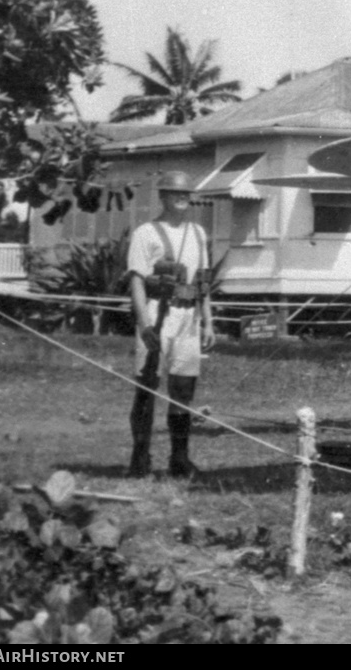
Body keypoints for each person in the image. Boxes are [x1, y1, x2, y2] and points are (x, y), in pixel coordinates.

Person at [127, 170, 215, 478]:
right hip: (157, 314)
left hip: (188, 317)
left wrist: (208, 321)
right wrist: (143, 324)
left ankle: (180, 458)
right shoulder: (146, 233)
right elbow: (137, 281)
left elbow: (203, 282)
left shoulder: (198, 233)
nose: (181, 198)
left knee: (183, 389)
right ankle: (140, 457)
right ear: (162, 196)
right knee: (147, 385)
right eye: (174, 193)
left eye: (186, 193)